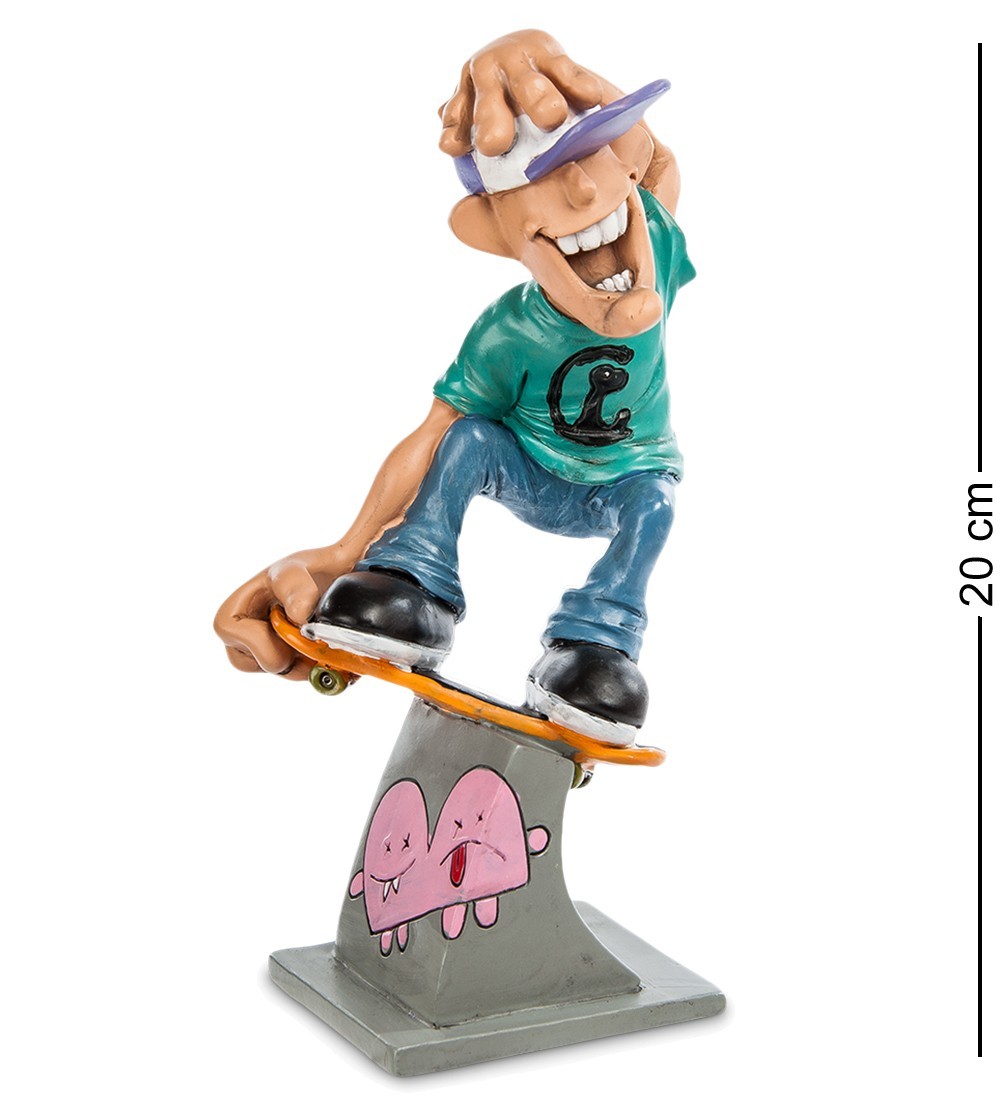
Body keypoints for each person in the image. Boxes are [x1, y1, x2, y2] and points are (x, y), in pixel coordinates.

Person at [214, 30, 694, 745]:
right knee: (468, 438)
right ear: (493, 232)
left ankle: (599, 645)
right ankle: (414, 579)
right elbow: (434, 431)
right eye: (542, 181)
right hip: (532, 474)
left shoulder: (653, 236)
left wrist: (558, 69)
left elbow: (657, 159)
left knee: (655, 503)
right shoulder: (508, 333)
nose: (584, 191)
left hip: (623, 484)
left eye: (594, 158)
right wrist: (350, 548)